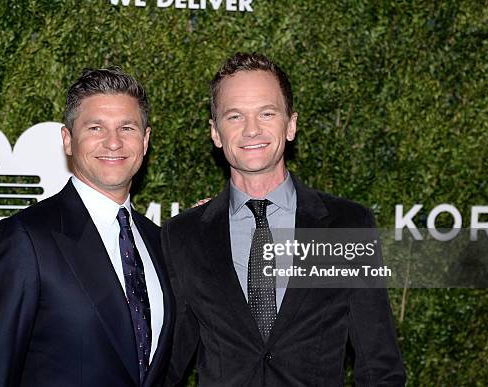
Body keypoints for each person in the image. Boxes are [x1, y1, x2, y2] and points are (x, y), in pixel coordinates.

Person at [161, 53, 405, 386]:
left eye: (266, 113)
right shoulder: (184, 234)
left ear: (290, 125)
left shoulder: (347, 225)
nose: (251, 130)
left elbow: (379, 365)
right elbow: (168, 364)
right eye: (234, 116)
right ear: (215, 133)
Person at [0, 67, 174, 387]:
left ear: (145, 141)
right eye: (95, 127)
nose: (113, 142)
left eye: (127, 128)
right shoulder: (25, 240)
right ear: (68, 140)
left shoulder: (158, 242)